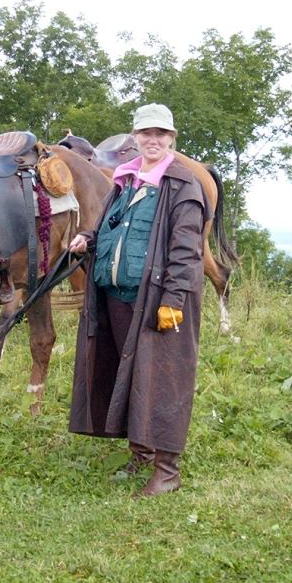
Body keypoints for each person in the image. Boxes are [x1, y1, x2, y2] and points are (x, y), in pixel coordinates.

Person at [68, 103, 209, 497]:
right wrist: (89, 239)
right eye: (146, 133)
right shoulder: (125, 179)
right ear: (135, 137)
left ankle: (167, 470)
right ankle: (141, 452)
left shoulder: (183, 185)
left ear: (172, 139)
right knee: (128, 375)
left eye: (161, 134)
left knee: (163, 381)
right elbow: (112, 226)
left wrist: (174, 300)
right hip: (116, 294)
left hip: (158, 300)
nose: (153, 140)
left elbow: (187, 251)